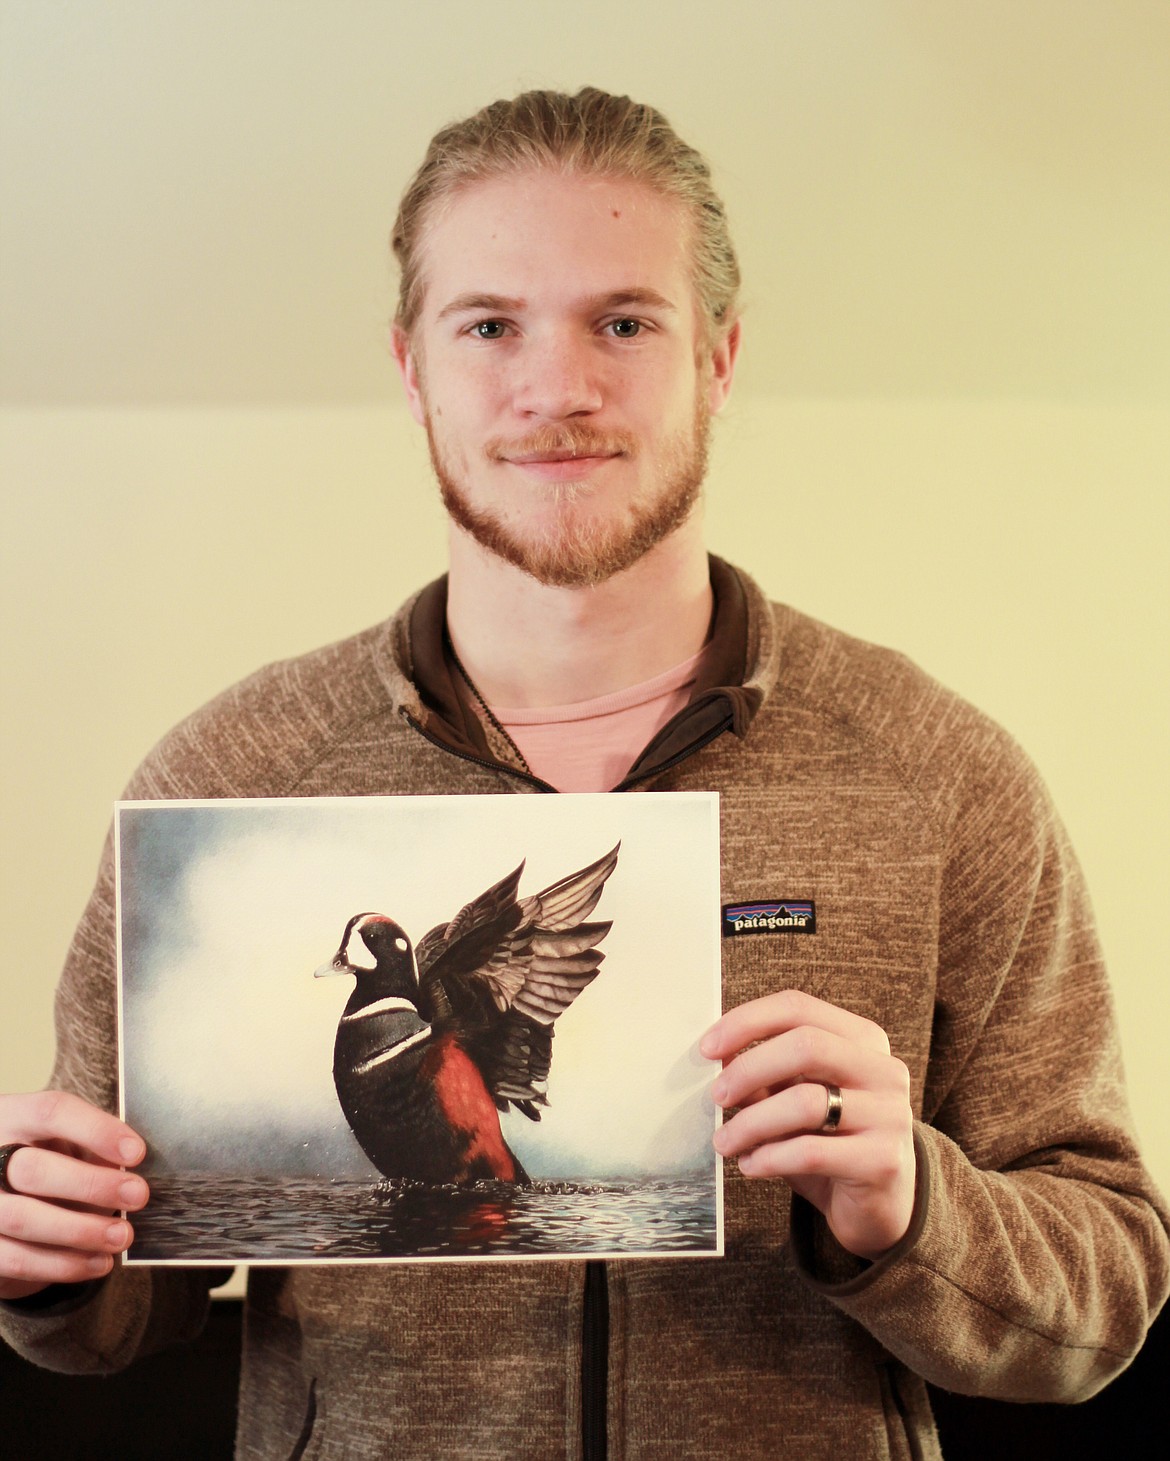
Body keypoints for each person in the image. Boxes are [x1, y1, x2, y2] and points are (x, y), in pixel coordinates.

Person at [0, 87, 1166, 1460]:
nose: (557, 387)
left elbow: (1100, 1303)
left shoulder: (934, 774)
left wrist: (915, 1203)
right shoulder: (226, 773)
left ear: (719, 357)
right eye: (488, 324)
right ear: (410, 363)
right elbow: (114, 1313)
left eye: (624, 321)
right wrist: (48, 1257)